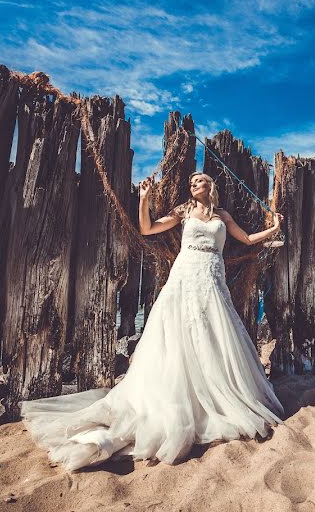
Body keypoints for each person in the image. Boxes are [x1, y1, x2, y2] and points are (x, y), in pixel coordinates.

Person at [20, 172, 285, 470]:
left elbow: (247, 239)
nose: (193, 185)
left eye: (198, 181)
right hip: (185, 275)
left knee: (213, 335)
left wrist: (274, 227)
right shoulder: (183, 211)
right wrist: (144, 198)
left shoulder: (223, 215)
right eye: (191, 182)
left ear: (210, 186)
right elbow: (146, 229)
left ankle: (214, 395)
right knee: (178, 334)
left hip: (212, 278)